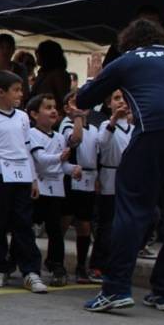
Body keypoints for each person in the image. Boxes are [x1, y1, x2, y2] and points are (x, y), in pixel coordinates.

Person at [74, 18, 164, 313]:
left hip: (154, 131)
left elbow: (86, 99)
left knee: (133, 209)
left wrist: (93, 76)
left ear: (128, 42)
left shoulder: (129, 59)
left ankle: (116, 289)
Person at [0, 70, 47, 293]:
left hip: (21, 175)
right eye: (16, 90)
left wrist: (34, 178)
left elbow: (26, 148)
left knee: (23, 223)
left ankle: (30, 270)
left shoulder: (23, 117)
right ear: (1, 92)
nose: (20, 94)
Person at [28, 93, 78, 286]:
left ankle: (57, 264)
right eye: (47, 107)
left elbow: (61, 166)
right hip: (38, 188)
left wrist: (73, 169)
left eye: (54, 107)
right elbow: (41, 159)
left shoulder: (58, 137)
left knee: (55, 231)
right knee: (27, 227)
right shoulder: (32, 135)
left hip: (55, 190)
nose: (53, 111)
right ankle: (20, 261)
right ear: (34, 114)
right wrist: (60, 157)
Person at [91, 90, 132, 281]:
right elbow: (102, 143)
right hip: (110, 176)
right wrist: (114, 120)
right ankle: (98, 264)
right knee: (107, 224)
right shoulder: (106, 125)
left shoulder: (134, 128)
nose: (121, 102)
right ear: (109, 104)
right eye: (116, 98)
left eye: (124, 98)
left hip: (130, 179)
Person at [59, 92, 99, 282]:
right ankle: (57, 262)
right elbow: (75, 140)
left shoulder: (94, 129)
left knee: (85, 224)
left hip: (88, 178)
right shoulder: (67, 125)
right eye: (76, 102)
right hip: (70, 177)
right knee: (64, 221)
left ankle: (81, 266)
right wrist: (77, 118)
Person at [31, 40, 71, 112]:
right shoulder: (43, 73)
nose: (36, 55)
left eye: (39, 52)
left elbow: (64, 98)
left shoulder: (58, 74)